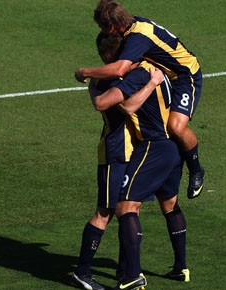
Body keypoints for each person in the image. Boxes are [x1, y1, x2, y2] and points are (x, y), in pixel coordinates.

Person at [75, 0, 205, 201]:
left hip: (185, 76)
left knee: (176, 127)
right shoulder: (133, 25)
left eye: (102, 27)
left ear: (111, 25)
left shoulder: (137, 37)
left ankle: (196, 169)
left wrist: (86, 72)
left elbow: (119, 68)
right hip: (168, 74)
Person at [72, 33, 173, 290]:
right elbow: (123, 106)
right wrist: (150, 83)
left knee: (128, 209)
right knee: (105, 212)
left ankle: (125, 271)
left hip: (134, 151)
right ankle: (82, 272)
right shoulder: (105, 81)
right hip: (115, 153)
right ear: (111, 56)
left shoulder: (117, 76)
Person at [91, 35, 190, 290]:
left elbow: (125, 107)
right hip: (173, 147)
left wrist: (90, 76)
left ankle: (133, 275)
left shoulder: (139, 74)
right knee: (170, 205)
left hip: (154, 147)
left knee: (125, 206)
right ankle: (181, 268)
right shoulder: (164, 70)